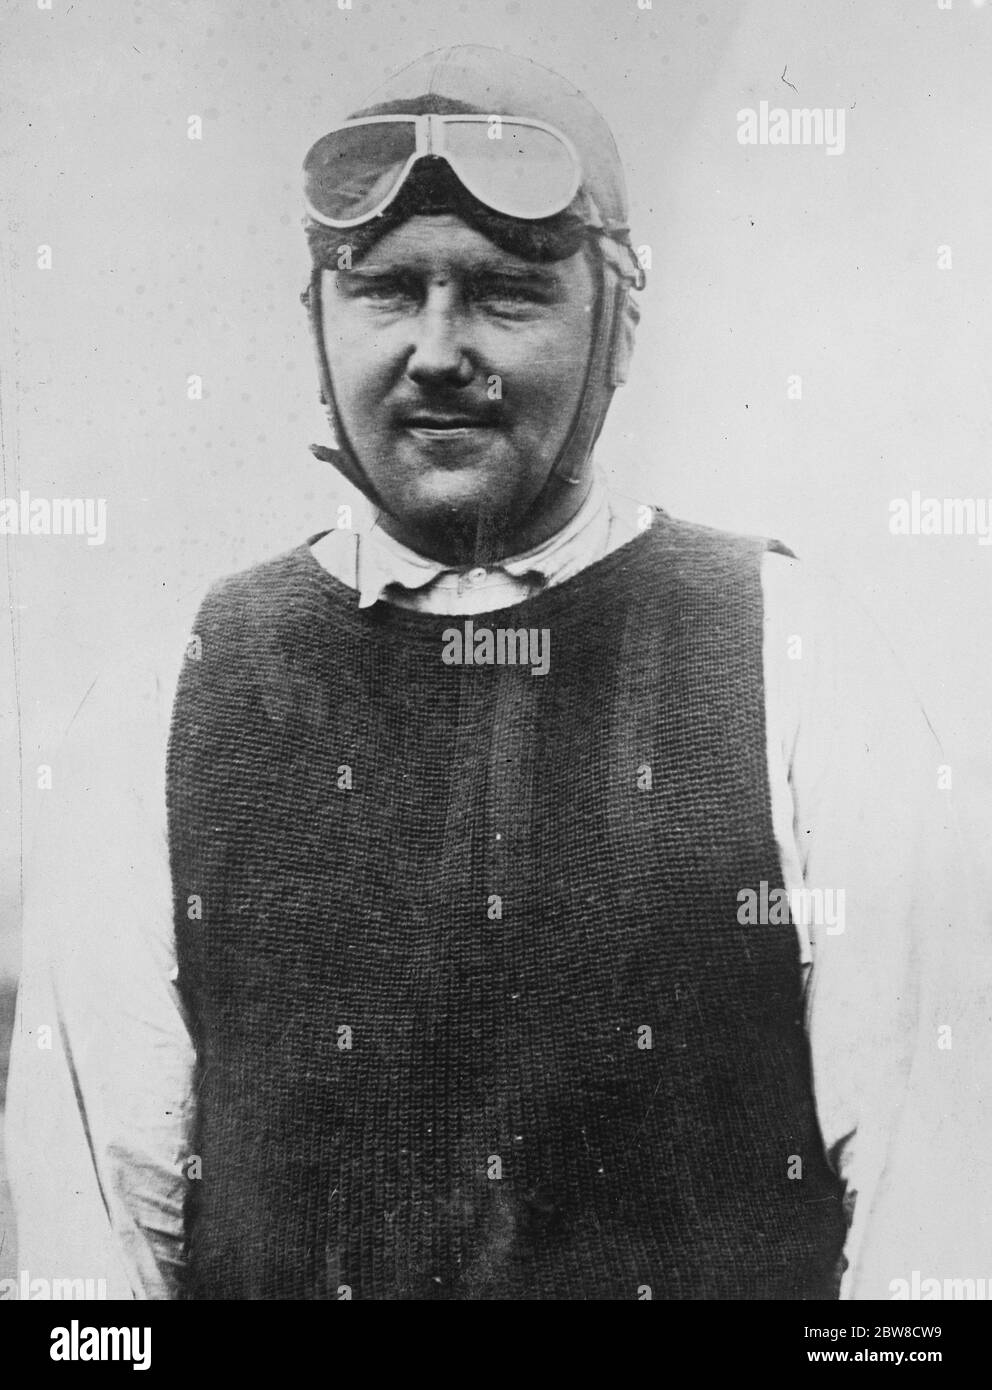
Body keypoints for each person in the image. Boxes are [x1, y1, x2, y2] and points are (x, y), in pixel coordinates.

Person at [5, 45, 973, 1301]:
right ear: (318, 321)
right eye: (386, 290)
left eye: (506, 293)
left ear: (617, 327)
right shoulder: (169, 696)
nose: (437, 349)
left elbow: (934, 1229)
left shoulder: (795, 653)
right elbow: (92, 1263)